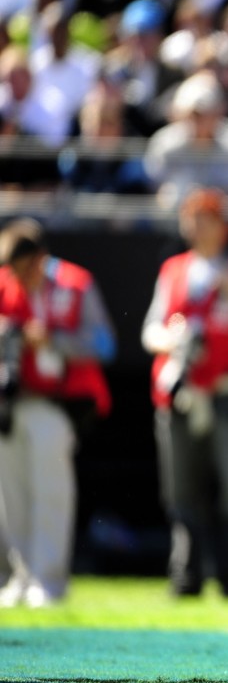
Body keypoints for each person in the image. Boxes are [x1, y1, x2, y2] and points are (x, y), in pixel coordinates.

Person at [141, 188, 228, 597]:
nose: (197, 226)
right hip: (181, 391)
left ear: (223, 225)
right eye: (191, 218)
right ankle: (186, 576)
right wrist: (176, 340)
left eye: (206, 218)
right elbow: (150, 331)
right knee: (181, 489)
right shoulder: (173, 270)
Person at [0, 219, 114, 607]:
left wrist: (53, 340)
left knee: (50, 491)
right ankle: (20, 576)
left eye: (26, 268)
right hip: (11, 404)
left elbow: (104, 344)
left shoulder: (74, 284)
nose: (20, 277)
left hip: (57, 403)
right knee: (11, 494)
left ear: (42, 258)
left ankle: (48, 581)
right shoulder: (4, 286)